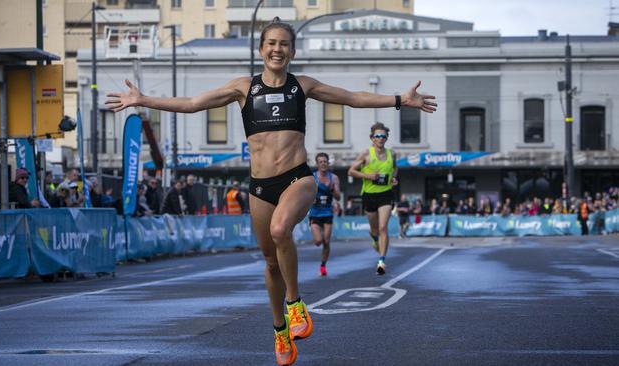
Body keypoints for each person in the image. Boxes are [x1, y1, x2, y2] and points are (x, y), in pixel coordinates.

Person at [105, 17, 436, 366]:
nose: (277, 49)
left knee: (281, 230)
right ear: (261, 49)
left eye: (284, 44)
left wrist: (400, 99)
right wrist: (142, 100)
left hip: (298, 178)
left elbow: (353, 97)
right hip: (260, 186)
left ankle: (296, 305)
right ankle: (280, 330)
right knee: (269, 262)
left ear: (292, 51)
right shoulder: (242, 89)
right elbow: (191, 103)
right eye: (271, 43)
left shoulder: (302, 86)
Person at [348, 122, 399, 276]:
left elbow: (395, 168)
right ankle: (375, 239)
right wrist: (368, 176)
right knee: (375, 230)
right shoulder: (366, 154)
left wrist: (393, 179)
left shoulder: (392, 154)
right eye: (377, 136)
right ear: (372, 138)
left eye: (383, 136)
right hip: (369, 195)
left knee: (383, 227)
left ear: (386, 138)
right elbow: (351, 171)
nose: (381, 138)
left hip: (386, 194)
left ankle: (381, 261)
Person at [308, 152, 340, 277]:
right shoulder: (312, 177)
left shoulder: (334, 178)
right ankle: (317, 234)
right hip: (315, 212)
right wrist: (311, 198)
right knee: (318, 241)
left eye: (325, 161)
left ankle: (323, 266)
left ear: (328, 163)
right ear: (317, 164)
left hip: (327, 211)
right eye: (320, 162)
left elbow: (337, 196)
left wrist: (333, 189)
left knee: (326, 241)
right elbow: (305, 193)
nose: (323, 164)